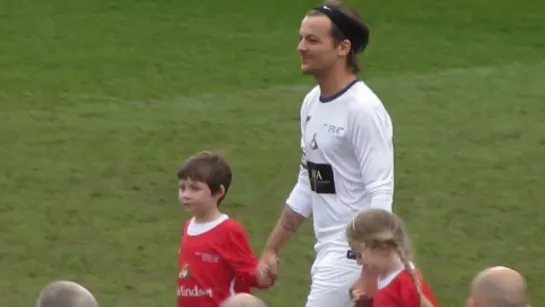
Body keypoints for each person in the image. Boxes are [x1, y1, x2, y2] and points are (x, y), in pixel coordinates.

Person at [257, 0, 394, 306]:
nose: (301, 47)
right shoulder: (311, 104)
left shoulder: (363, 110)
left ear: (343, 48)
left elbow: (381, 193)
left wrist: (370, 270)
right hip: (329, 251)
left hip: (352, 257)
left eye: (312, 40)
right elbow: (310, 181)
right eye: (301, 38)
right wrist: (272, 247)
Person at [177, 151, 271, 307]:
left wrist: (263, 273)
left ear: (219, 192)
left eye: (194, 188)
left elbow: (250, 272)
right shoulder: (187, 227)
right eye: (182, 188)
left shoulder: (229, 230)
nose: (185, 194)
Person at [346, 209, 439, 307]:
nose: (358, 262)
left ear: (382, 248)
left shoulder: (405, 285)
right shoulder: (382, 276)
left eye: (359, 255)